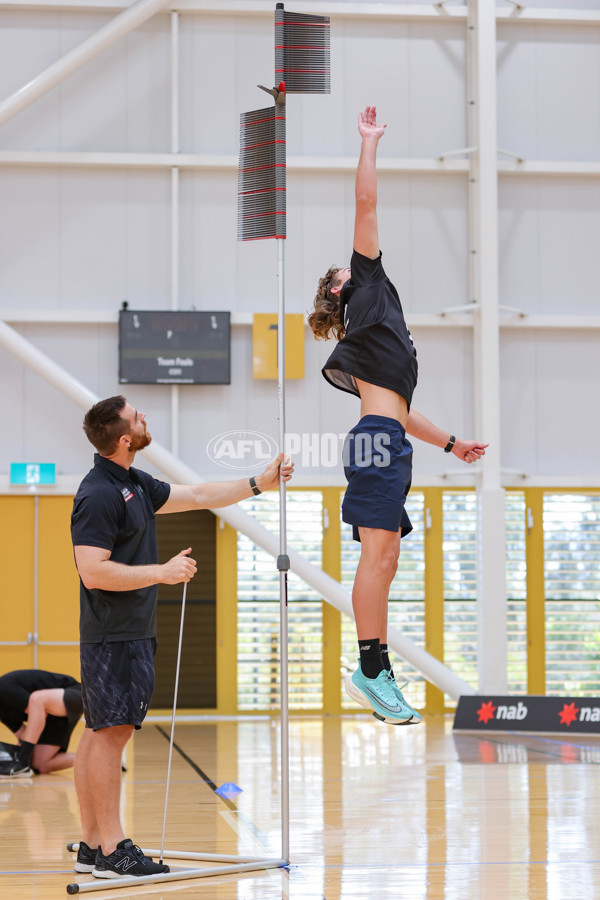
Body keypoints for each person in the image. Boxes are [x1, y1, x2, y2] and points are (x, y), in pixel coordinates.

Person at [308, 106, 488, 727]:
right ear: (340, 288)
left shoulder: (378, 332)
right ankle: (370, 668)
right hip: (377, 442)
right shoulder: (364, 284)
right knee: (377, 558)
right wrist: (368, 143)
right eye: (341, 267)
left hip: (386, 437)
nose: (349, 260)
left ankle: (376, 666)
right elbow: (365, 204)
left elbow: (404, 413)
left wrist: (453, 443)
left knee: (385, 559)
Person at [70, 395, 293, 879]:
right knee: (110, 737)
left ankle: (91, 845)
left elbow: (196, 496)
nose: (144, 415)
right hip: (115, 634)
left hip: (124, 633)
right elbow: (93, 572)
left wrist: (259, 482)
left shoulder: (130, 482)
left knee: (98, 734)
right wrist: (163, 572)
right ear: (125, 438)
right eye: (137, 416)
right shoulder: (99, 493)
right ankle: (113, 850)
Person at [0, 669, 83, 777]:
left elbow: (39, 711)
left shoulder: (4, 687)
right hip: (53, 716)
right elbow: (25, 736)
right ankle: (92, 760)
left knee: (36, 700)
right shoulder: (2, 713)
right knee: (40, 764)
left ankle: (22, 762)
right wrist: (10, 756)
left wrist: (22, 758)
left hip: (75, 694)